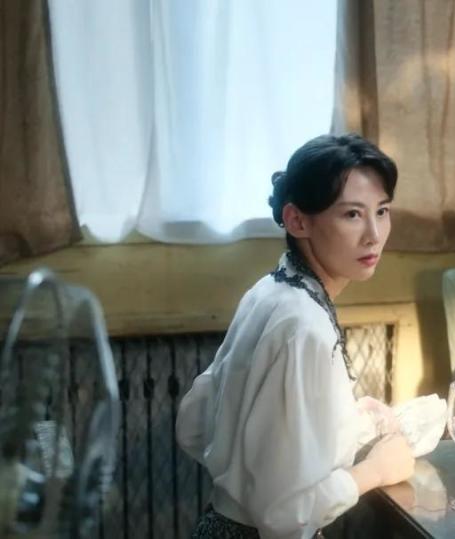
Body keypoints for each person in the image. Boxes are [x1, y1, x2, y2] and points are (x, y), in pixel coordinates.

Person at [176, 134, 415, 539]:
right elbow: (285, 512)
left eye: (382, 211)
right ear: (297, 220)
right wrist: (374, 471)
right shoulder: (303, 325)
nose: (374, 235)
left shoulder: (272, 289)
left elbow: (196, 424)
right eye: (352, 214)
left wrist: (345, 419)